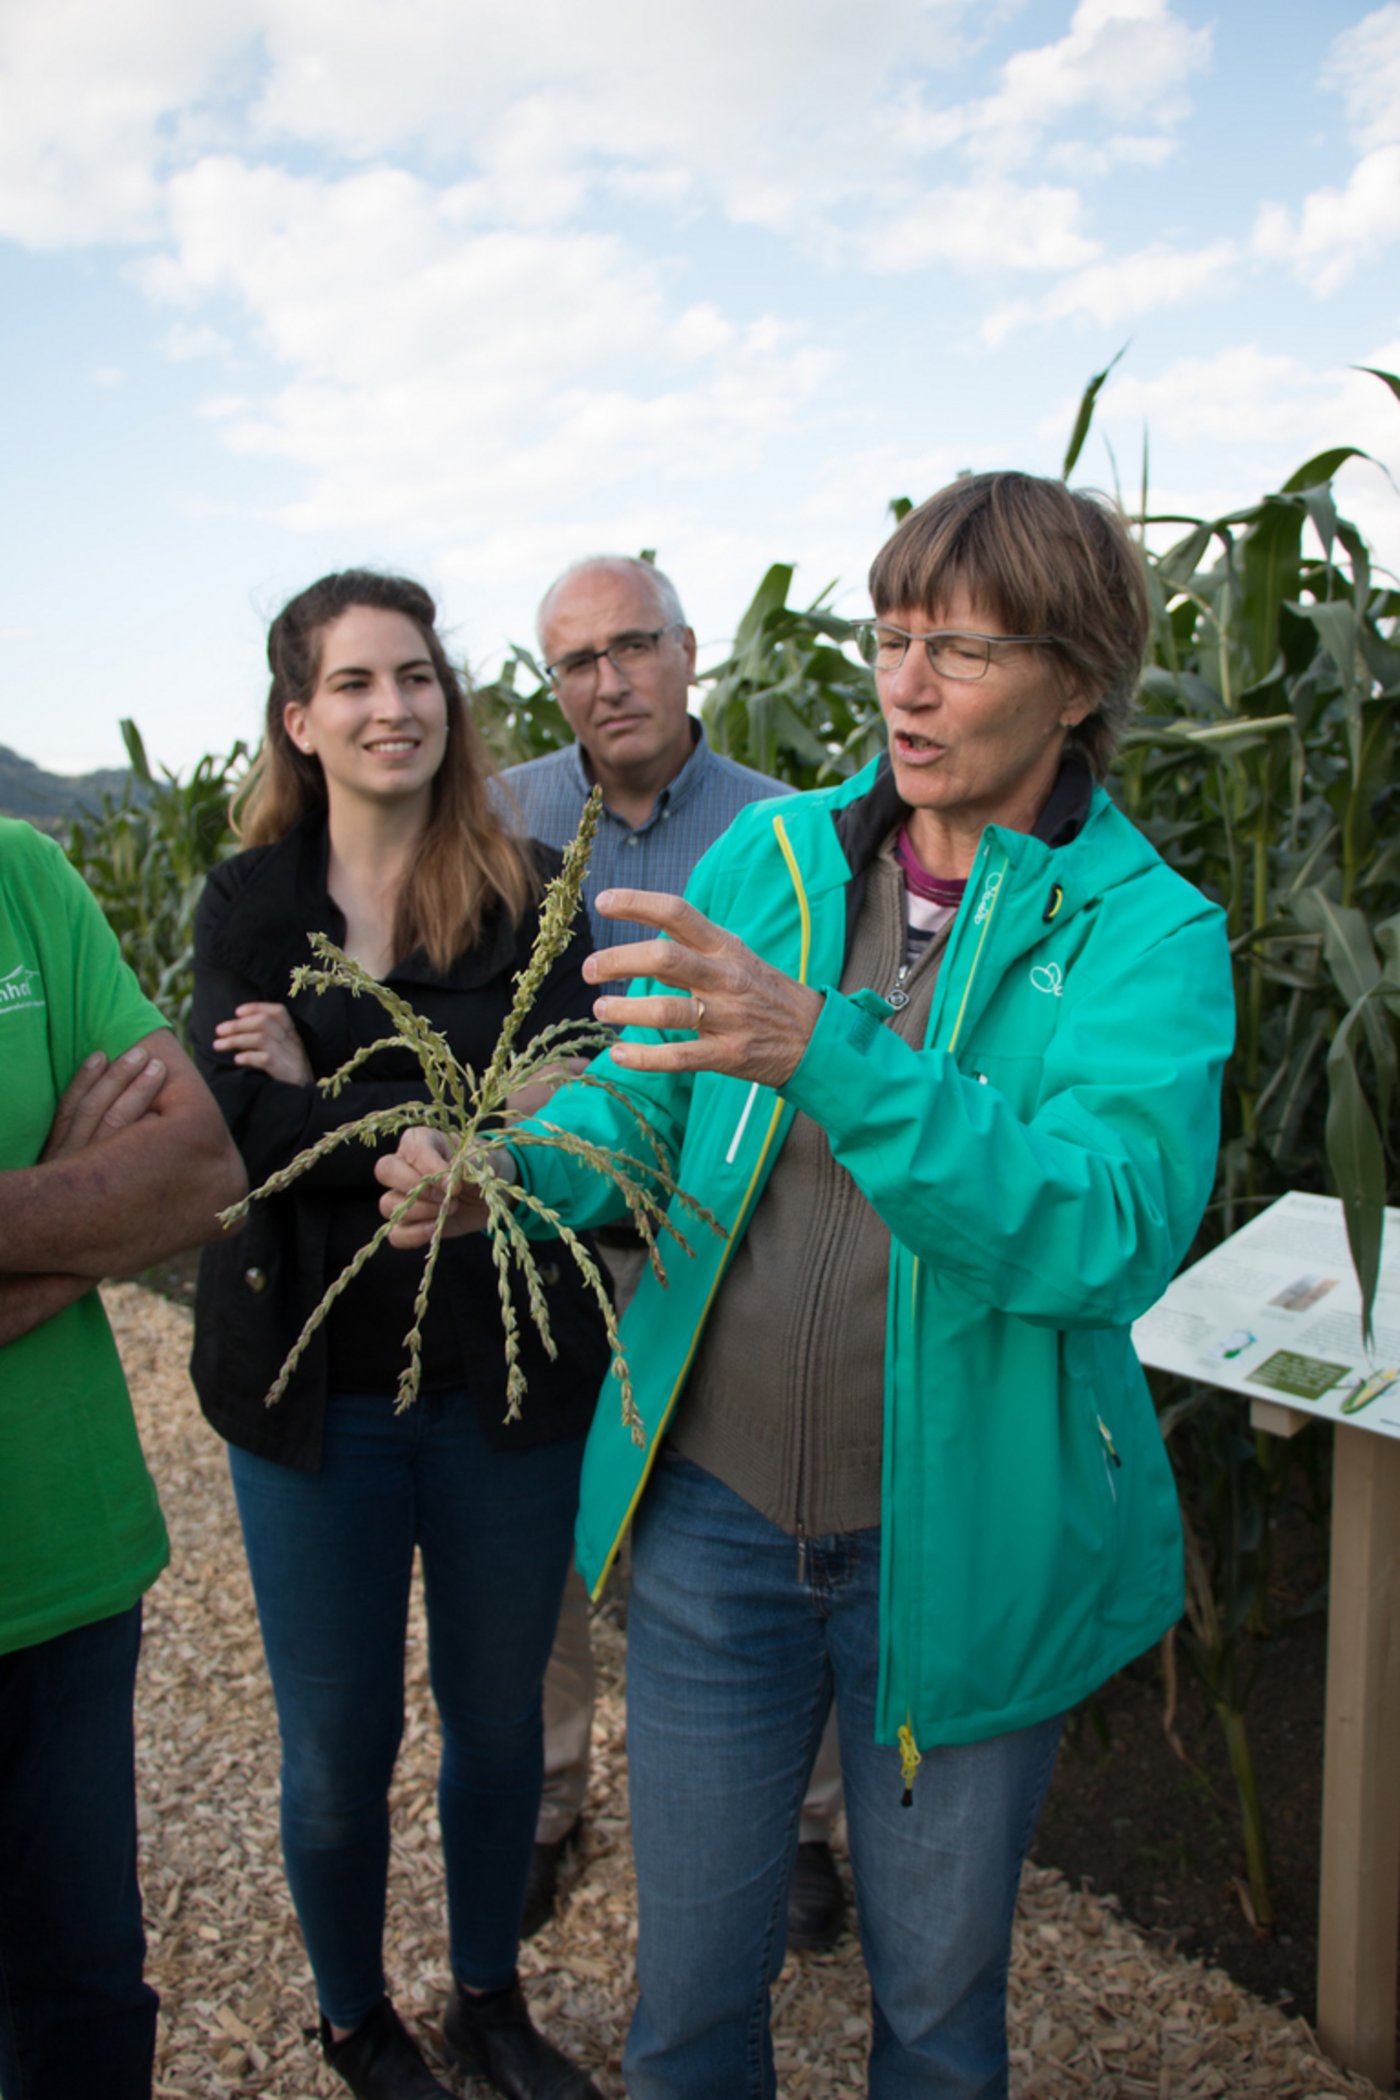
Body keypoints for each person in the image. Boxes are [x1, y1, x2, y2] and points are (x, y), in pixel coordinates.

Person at [379, 472, 1236, 2098]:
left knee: (931, 2012)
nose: (903, 686)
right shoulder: (776, 859)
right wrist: (509, 1174)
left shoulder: (1143, 932)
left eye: (961, 652)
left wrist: (831, 1052)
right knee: (689, 1997)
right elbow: (647, 1100)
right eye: (889, 636)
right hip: (712, 1531)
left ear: (1077, 679)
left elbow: (1105, 1231)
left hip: (962, 1545)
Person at [189, 572, 608, 2100]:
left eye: (417, 676)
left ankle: (490, 1999)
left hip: (509, 1379)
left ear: (452, 700)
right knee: (339, 1746)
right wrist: (446, 1109)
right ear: (299, 720)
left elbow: (575, 1107)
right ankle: (357, 2020)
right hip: (318, 1396)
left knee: (499, 1726)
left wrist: (328, 1066)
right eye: (355, 684)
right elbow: (236, 1130)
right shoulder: (251, 903)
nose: (394, 708)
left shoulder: (534, 888)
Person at [502, 557, 846, 1950]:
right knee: (541, 1522)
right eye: (575, 661)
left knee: (768, 1514)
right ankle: (544, 1799)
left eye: (632, 646)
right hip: (549, 1226)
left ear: (690, 652)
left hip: (715, 1243)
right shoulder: (503, 817)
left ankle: (807, 1827)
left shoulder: (784, 834)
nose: (608, 680)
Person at [0, 817, 246, 2100]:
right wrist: (70, 1199)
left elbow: (199, 1168)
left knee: (86, 1995)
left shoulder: (20, 875)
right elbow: (129, 1199)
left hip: (68, 1563)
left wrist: (102, 1199)